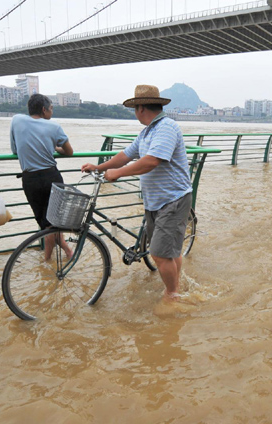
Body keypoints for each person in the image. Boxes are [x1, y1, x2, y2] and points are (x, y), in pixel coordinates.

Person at [81, 84, 193, 300]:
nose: (135, 113)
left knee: (159, 253)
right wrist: (100, 167)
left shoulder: (167, 128)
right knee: (169, 251)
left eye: (135, 109)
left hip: (173, 200)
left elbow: (151, 161)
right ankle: (176, 285)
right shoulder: (147, 132)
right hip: (155, 201)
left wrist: (118, 173)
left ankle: (172, 295)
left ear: (141, 108)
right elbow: (126, 154)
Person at [10, 94, 74, 261]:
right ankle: (55, 258)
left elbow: (15, 150)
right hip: (51, 176)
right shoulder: (54, 127)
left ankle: (49, 260)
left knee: (46, 224)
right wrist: (56, 149)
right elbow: (69, 151)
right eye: (51, 108)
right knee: (50, 224)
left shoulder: (16, 120)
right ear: (44, 110)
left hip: (30, 179)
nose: (52, 112)